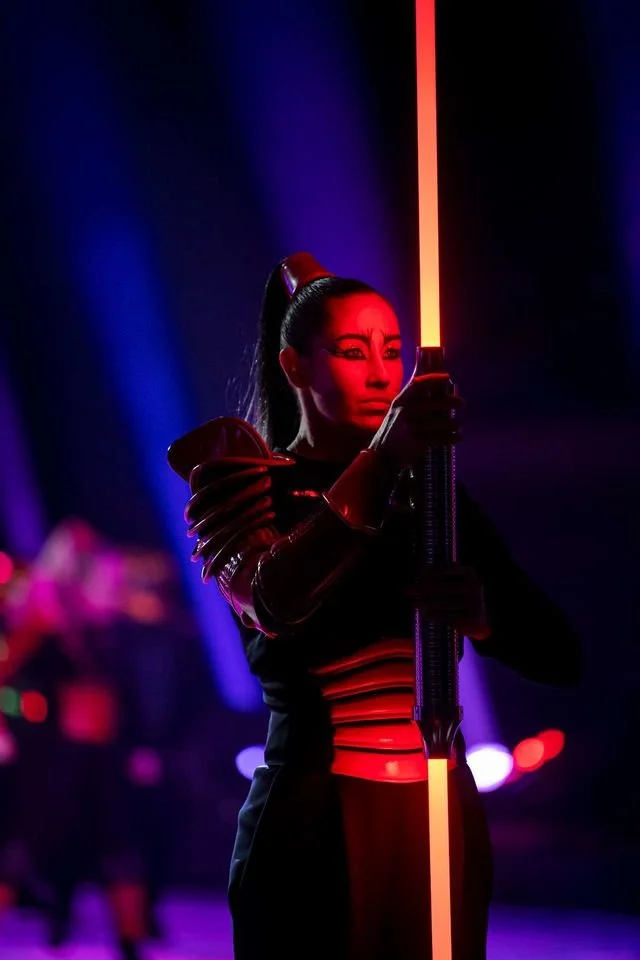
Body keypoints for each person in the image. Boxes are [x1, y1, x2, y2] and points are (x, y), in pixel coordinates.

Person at [168, 253, 582, 960]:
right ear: (295, 367)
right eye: (351, 351)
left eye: (391, 351)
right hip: (315, 818)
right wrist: (384, 460)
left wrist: (483, 618)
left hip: (435, 814)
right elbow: (274, 599)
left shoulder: (436, 492)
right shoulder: (247, 476)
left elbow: (559, 655)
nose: (379, 371)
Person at [0, 519, 150, 960]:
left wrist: (137, 745)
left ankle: (131, 942)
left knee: (120, 844)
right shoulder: (43, 616)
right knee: (28, 842)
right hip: (54, 753)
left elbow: (124, 689)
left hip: (104, 753)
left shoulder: (104, 621)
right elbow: (9, 670)